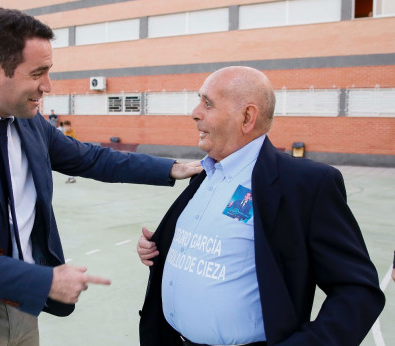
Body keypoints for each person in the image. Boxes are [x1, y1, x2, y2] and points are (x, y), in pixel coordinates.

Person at [0, 7, 202, 346]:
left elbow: (91, 158)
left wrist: (170, 168)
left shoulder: (29, 123)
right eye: (37, 73)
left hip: (23, 307)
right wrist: (43, 281)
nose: (48, 86)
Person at [137, 66, 385, 346]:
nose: (194, 112)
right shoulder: (206, 173)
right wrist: (161, 248)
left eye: (207, 103)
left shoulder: (305, 184)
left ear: (247, 117)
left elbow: (357, 292)